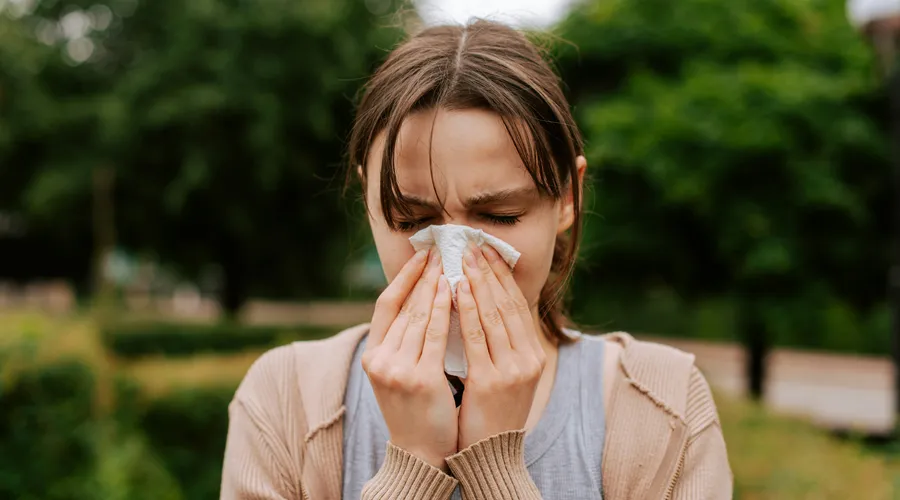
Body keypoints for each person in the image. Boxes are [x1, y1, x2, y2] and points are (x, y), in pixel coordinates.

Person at [221, 19, 732, 500]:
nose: (455, 264)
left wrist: (498, 469)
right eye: (410, 220)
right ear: (367, 200)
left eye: (501, 215)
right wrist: (413, 463)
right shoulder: (285, 400)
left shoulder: (661, 407)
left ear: (569, 197)